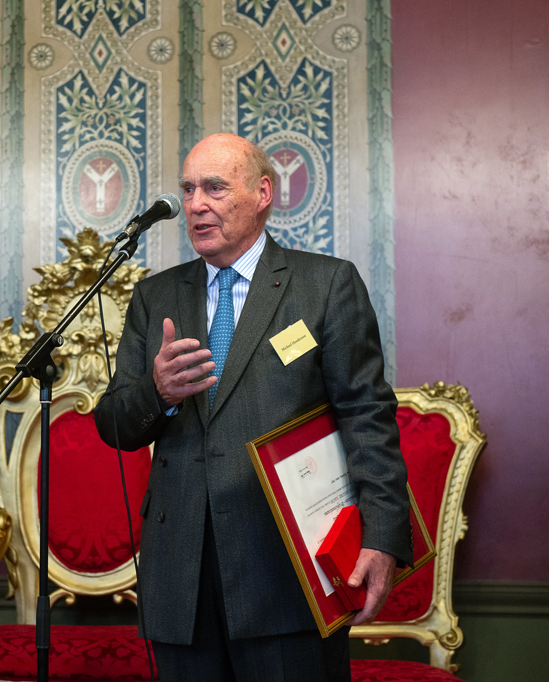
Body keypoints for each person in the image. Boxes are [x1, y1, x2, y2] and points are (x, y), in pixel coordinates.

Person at [93, 134, 411, 681]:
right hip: (180, 577)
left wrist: (382, 536)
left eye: (215, 187)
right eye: (189, 189)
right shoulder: (156, 296)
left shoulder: (325, 285)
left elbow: (367, 415)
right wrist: (159, 393)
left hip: (288, 568)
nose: (196, 204)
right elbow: (116, 425)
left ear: (263, 193)